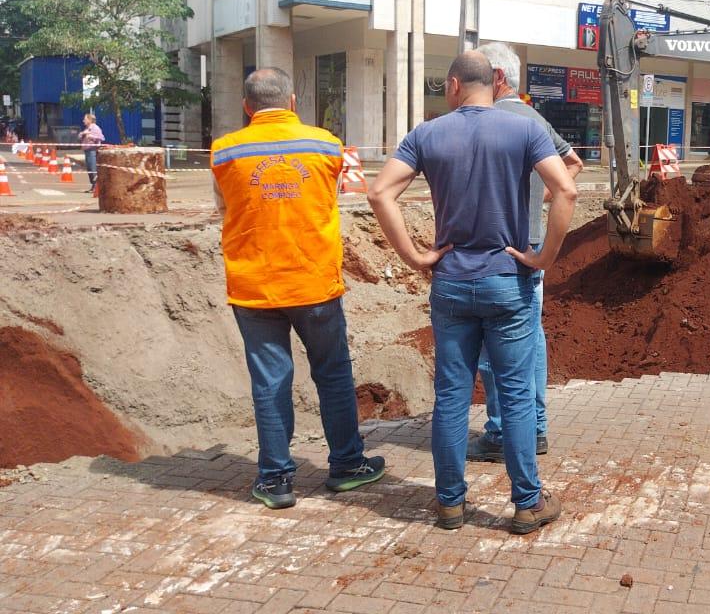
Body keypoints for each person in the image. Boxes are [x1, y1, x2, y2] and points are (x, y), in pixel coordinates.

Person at [367, 51, 578, 534]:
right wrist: (543, 257)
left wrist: (416, 257)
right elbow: (566, 189)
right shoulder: (525, 129)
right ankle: (527, 503)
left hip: (453, 284)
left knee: (451, 398)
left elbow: (379, 193)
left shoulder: (427, 134)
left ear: (455, 85)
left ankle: (449, 505)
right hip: (509, 281)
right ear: (494, 84)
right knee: (518, 396)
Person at [211, 67, 385, 510]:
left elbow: (223, 208)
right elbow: (331, 197)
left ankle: (275, 480)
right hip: (314, 282)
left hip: (255, 286)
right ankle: (346, 465)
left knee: (270, 382)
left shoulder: (224, 152)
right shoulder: (325, 145)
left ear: (247, 107)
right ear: (292, 102)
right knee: (333, 374)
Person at [467, 42, 583, 464]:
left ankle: (501, 431)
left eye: (477, 75)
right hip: (531, 244)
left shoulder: (486, 120)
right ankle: (535, 428)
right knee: (531, 338)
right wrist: (542, 200)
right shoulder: (535, 119)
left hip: (497, 250)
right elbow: (574, 165)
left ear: (496, 78)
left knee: (492, 346)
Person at [78, 113, 105, 192]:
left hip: (92, 150)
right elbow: (79, 137)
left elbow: (102, 138)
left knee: (93, 168)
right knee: (89, 168)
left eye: (85, 119)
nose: (83, 121)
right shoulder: (87, 128)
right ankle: (93, 186)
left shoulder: (95, 128)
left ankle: (96, 187)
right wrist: (82, 134)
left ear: (90, 120)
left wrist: (91, 136)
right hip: (87, 150)